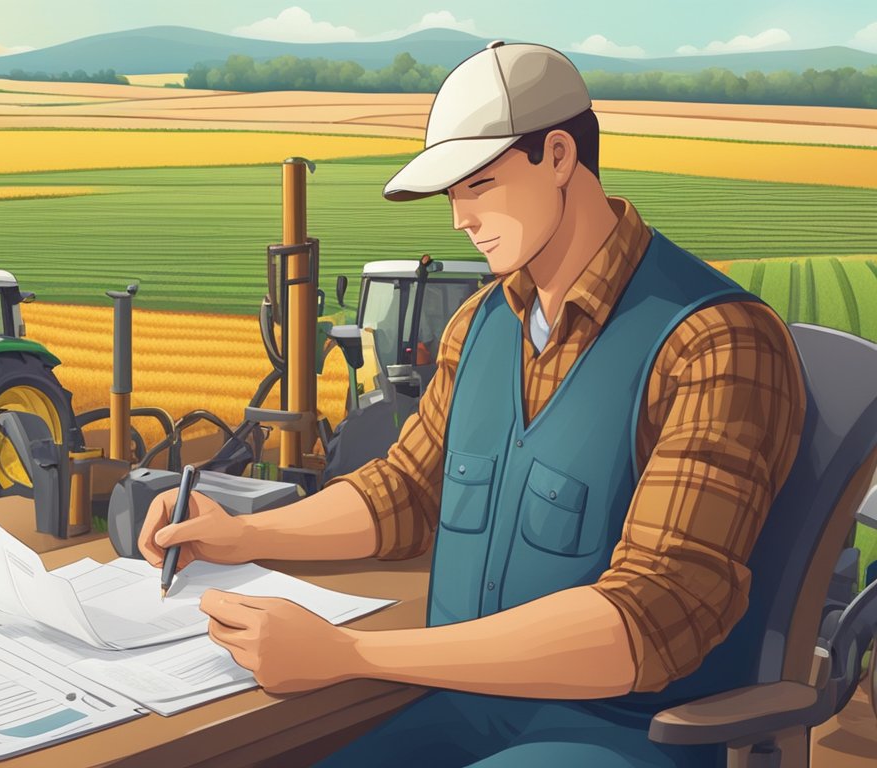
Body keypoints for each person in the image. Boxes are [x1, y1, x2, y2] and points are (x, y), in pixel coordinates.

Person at [138, 41, 805, 767]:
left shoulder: (714, 342)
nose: (460, 218)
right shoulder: (482, 324)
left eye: (479, 185)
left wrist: (349, 652)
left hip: (616, 735)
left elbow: (649, 618)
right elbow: (404, 495)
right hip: (457, 706)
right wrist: (240, 533)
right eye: (453, 194)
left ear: (557, 157)